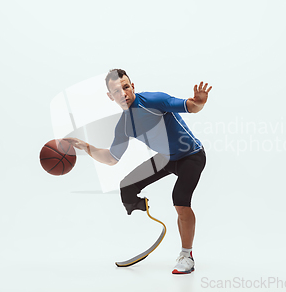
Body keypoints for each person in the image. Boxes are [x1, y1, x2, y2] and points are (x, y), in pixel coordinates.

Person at [65, 69, 212, 274]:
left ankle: (187, 255)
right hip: (166, 158)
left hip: (191, 155)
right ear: (110, 96)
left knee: (180, 199)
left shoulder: (154, 100)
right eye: (116, 91)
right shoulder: (124, 126)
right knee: (126, 186)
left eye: (126, 87)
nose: (123, 93)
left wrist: (200, 102)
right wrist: (85, 146)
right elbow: (111, 159)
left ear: (132, 86)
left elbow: (191, 106)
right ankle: (145, 208)